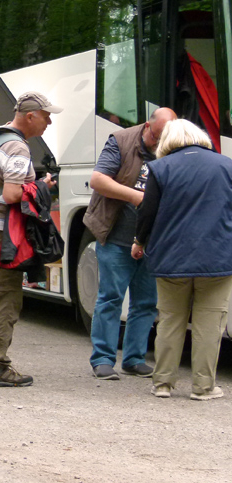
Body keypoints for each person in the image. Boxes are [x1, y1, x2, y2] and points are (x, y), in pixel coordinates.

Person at [132, 120, 232, 400]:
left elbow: (147, 212)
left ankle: (162, 384)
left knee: (170, 320)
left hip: (171, 259)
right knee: (209, 323)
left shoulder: (160, 168)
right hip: (218, 258)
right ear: (198, 136)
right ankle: (203, 387)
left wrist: (139, 242)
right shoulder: (226, 165)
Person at [0, 91, 60, 388]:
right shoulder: (18, 148)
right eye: (46, 116)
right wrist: (41, 188)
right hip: (2, 230)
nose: (48, 122)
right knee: (7, 295)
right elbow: (11, 194)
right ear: (31, 116)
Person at [83, 107, 178, 380]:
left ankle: (134, 358)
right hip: (116, 236)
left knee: (147, 302)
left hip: (152, 239)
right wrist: (138, 197)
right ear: (147, 126)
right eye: (156, 138)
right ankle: (102, 359)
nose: (160, 145)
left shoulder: (173, 145)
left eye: (165, 140)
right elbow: (98, 180)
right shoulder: (120, 140)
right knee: (110, 299)